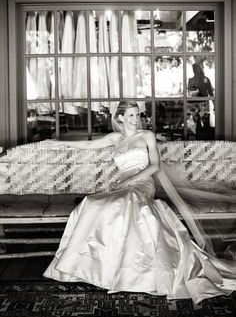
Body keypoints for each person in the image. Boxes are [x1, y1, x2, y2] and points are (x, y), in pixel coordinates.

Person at [44, 100, 236, 304]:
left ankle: (135, 272)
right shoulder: (115, 138)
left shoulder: (146, 136)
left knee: (128, 201)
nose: (136, 120)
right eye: (132, 116)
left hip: (142, 182)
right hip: (123, 184)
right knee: (92, 204)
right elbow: (88, 145)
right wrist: (58, 143)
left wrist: (130, 180)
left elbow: (155, 166)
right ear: (120, 118)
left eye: (138, 115)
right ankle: (92, 268)